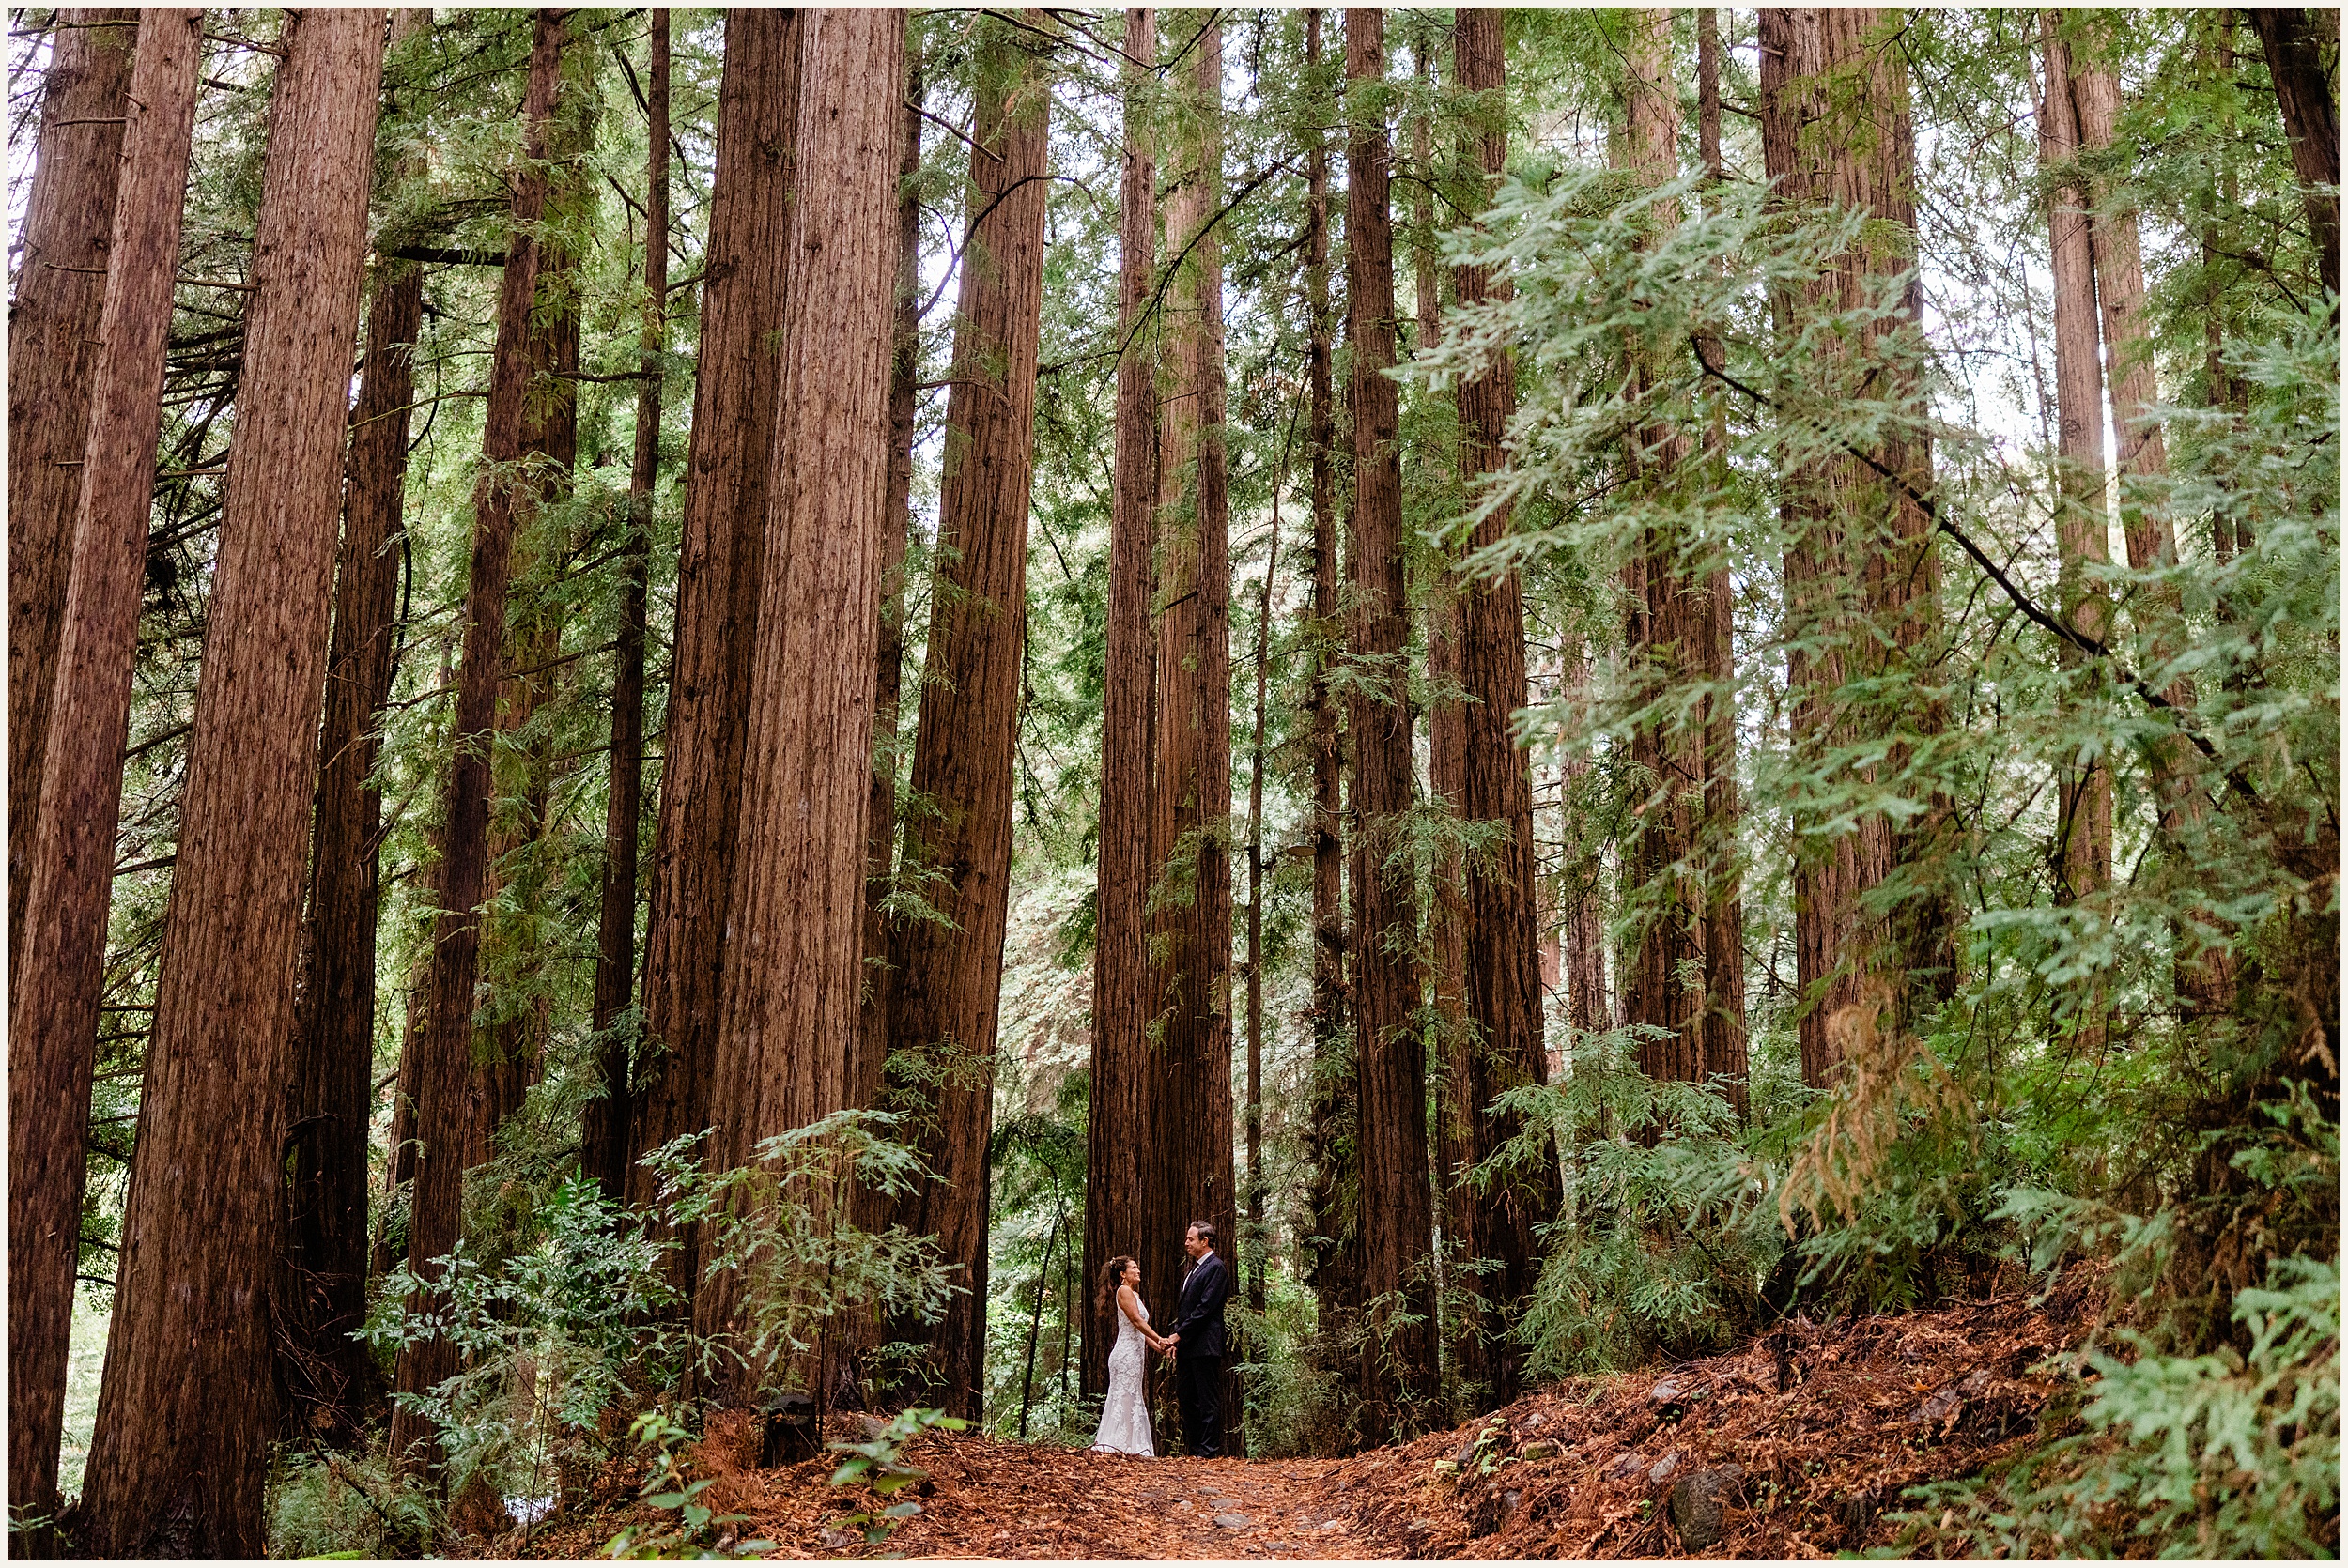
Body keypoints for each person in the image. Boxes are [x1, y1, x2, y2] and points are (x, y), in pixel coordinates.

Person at [1162, 1221, 1232, 1458]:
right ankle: (1195, 1449)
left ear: (1205, 1241)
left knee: (1207, 1398)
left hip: (1205, 1345)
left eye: (1191, 1239)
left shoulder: (1216, 1268)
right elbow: (1186, 1308)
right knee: (1186, 1395)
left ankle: (1209, 1451)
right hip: (1188, 1345)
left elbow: (1205, 1309)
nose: (1186, 1243)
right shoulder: (1194, 1269)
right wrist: (1177, 1338)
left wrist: (1178, 1335)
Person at [1089, 1254, 1168, 1455]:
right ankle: (1118, 1445)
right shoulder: (1123, 1291)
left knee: (1132, 1397)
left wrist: (1158, 1347)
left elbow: (1139, 1330)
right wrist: (1160, 1338)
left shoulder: (1134, 1294)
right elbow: (1136, 1321)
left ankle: (1130, 1445)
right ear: (1123, 1274)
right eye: (1133, 1268)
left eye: (1138, 1267)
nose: (1138, 1270)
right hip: (1125, 1355)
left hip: (1135, 1353)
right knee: (1124, 1397)